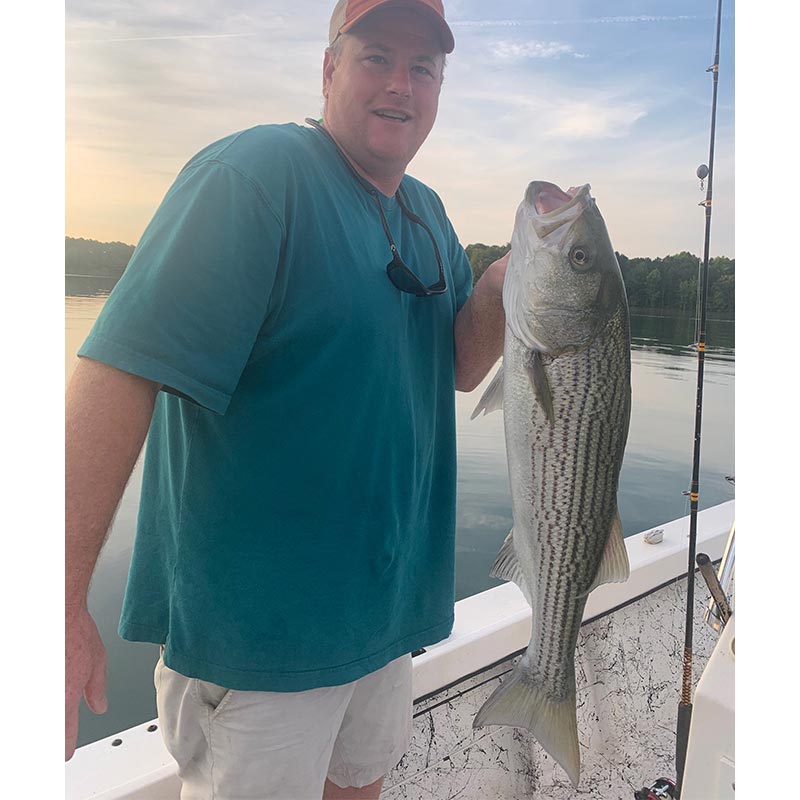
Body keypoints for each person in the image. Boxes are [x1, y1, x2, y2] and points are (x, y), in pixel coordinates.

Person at [65, 0, 508, 797]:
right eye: (376, 56)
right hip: (259, 643)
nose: (400, 85)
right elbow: (117, 371)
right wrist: (58, 601)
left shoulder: (429, 215)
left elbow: (457, 369)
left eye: (423, 67)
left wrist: (513, 290)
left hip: (384, 619)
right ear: (329, 67)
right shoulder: (255, 176)